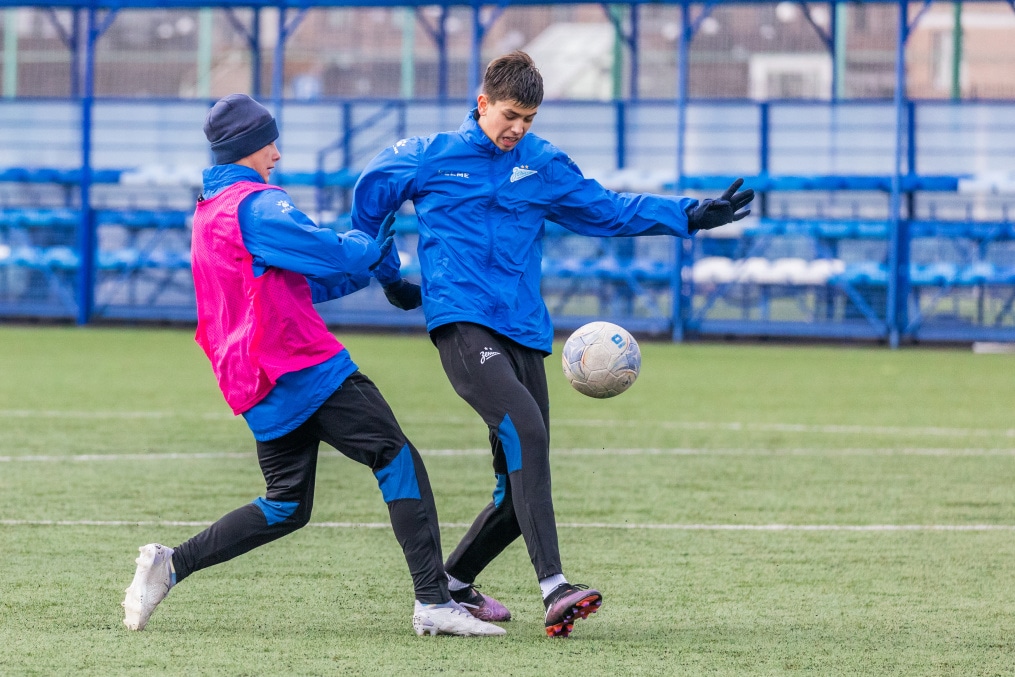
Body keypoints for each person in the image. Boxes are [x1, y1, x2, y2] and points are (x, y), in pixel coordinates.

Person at [350, 51, 754, 638]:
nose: (518, 129)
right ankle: (554, 588)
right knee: (527, 431)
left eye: (530, 119)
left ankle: (454, 583)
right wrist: (392, 280)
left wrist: (689, 216)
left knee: (518, 492)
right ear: (483, 102)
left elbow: (608, 211)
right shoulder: (429, 156)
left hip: (525, 332)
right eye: (510, 114)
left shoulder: (541, 164)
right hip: (462, 322)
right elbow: (370, 206)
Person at [121, 93, 505, 638]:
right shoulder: (256, 204)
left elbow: (297, 283)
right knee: (396, 459)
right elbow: (336, 252)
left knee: (285, 505)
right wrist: (371, 241)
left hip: (257, 382)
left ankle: (171, 564)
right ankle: (433, 601)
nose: (276, 153)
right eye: (269, 142)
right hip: (304, 368)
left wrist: (366, 264)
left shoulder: (210, 214)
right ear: (248, 146)